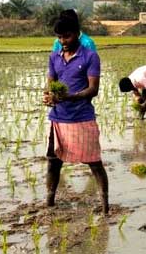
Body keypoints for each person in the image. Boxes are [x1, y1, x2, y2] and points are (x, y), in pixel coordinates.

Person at [42, 13, 108, 214]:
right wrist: (49, 95)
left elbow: (93, 89)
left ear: (78, 34)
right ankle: (49, 202)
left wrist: (68, 97)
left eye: (67, 37)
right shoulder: (54, 56)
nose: (63, 42)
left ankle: (105, 205)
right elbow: (51, 83)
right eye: (59, 37)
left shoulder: (90, 56)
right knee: (53, 161)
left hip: (81, 117)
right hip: (58, 118)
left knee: (94, 162)